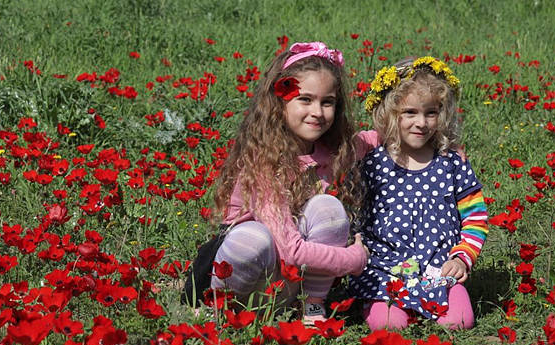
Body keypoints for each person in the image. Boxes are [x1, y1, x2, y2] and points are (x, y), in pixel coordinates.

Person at [209, 42, 377, 322]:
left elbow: (377, 137)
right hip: (248, 283)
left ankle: (311, 308)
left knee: (327, 208)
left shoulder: (333, 151)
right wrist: (355, 259)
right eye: (305, 99)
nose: (318, 112)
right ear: (280, 101)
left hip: (288, 288)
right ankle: (221, 311)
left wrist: (438, 144)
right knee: (253, 237)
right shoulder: (263, 163)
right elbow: (291, 250)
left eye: (327, 102)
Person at [348, 57, 489, 330]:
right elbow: (355, 215)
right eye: (410, 112)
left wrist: (462, 257)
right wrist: (355, 249)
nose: (421, 123)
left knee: (461, 321)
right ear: (390, 113)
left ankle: (426, 302)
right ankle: (379, 303)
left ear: (442, 113)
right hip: (386, 268)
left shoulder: (451, 163)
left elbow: (475, 217)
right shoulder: (373, 163)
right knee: (389, 325)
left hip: (439, 268)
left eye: (431, 113)